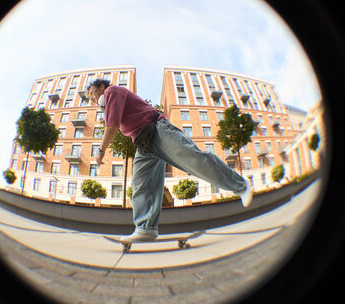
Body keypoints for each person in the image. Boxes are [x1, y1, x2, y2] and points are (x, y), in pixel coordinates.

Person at [87, 79, 252, 242]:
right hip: (142, 143)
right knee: (141, 185)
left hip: (158, 130)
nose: (92, 100)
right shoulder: (112, 100)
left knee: (194, 160)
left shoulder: (111, 91)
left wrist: (101, 151)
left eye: (91, 93)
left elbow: (112, 125)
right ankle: (145, 229)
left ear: (101, 87)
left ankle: (240, 185)